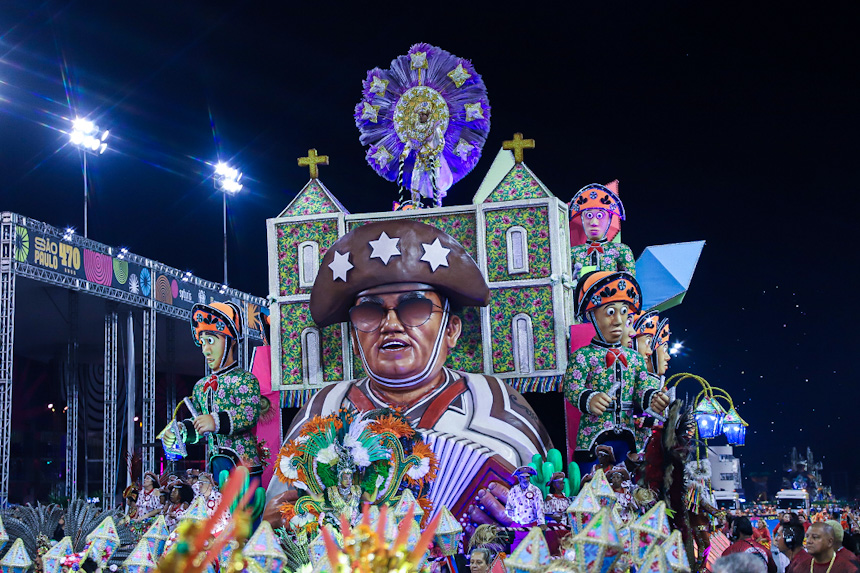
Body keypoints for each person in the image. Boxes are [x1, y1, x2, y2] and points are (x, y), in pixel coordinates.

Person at [265, 220, 552, 528]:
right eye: (370, 312)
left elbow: (553, 508)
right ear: (353, 337)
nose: (390, 325)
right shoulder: (325, 408)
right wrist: (283, 520)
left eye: (414, 308)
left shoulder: (495, 402)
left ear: (451, 330)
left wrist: (520, 519)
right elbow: (273, 521)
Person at [563, 270, 668, 467]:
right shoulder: (583, 356)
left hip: (629, 439)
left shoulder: (635, 359)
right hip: (592, 438)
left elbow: (642, 387)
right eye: (610, 312)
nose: (618, 320)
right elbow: (571, 388)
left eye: (624, 312)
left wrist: (652, 398)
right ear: (591, 315)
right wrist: (589, 397)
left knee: (628, 488)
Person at [167, 301, 264, 479]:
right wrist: (181, 430)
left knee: (245, 506)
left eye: (211, 341)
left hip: (244, 465)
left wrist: (215, 421)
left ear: (231, 341)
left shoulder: (245, 379)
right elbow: (198, 424)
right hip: (216, 465)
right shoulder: (200, 387)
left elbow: (249, 415)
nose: (206, 350)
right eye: (203, 343)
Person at [568, 183, 636, 277]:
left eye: (600, 216)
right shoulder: (573, 253)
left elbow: (630, 283)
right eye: (589, 216)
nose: (594, 222)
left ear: (610, 219)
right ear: (582, 219)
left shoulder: (621, 250)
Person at [789, 522, 859, 573]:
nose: (809, 541)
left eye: (815, 537)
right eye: (807, 536)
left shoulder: (848, 568)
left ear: (830, 541)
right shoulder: (800, 567)